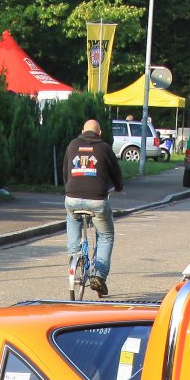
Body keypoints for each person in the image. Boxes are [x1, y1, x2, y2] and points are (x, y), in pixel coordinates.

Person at [63, 119, 124, 297]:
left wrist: (69, 188)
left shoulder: (72, 145)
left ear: (82, 131)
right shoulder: (104, 148)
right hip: (97, 200)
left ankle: (75, 257)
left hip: (72, 198)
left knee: (72, 218)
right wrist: (119, 186)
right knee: (105, 235)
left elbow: (65, 171)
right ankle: (99, 276)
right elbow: (115, 172)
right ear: (100, 133)